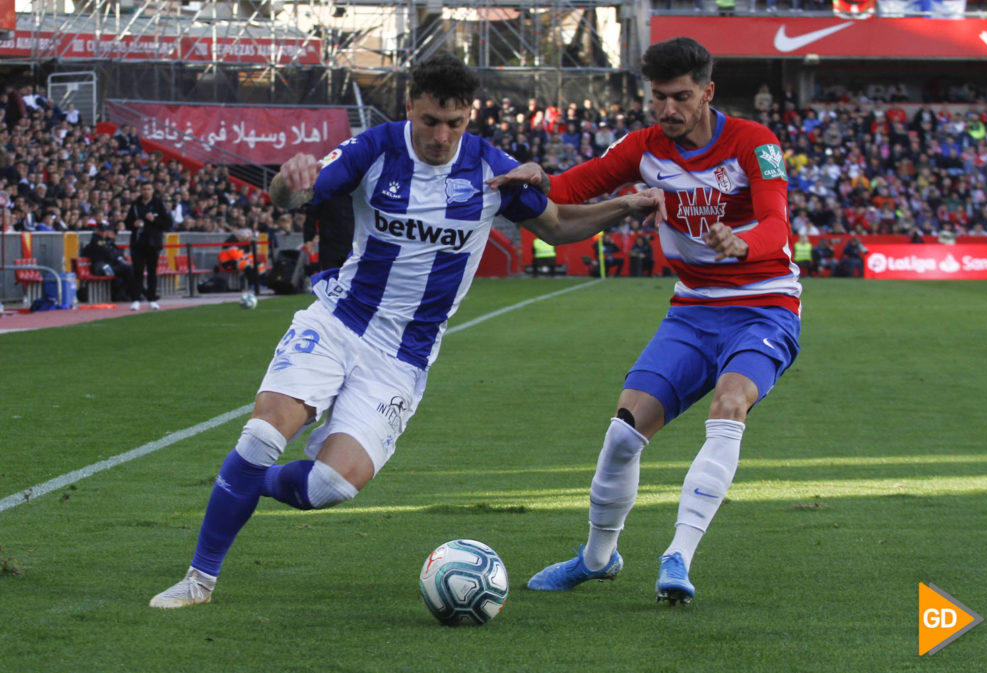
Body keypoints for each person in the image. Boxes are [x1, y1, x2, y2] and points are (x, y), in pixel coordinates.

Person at [147, 53, 666, 609]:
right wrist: (285, 184)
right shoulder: (376, 149)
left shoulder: (495, 170)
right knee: (262, 435)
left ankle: (244, 484)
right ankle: (199, 579)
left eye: (455, 124)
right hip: (339, 321)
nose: (442, 136)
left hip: (403, 356)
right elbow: (299, 194)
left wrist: (623, 206)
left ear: (470, 116)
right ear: (410, 107)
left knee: (330, 487)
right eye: (430, 121)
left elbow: (559, 225)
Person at [488, 37, 801, 606]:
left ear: (707, 92)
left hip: (763, 303)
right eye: (658, 97)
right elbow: (570, 186)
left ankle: (678, 555)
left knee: (730, 404)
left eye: (680, 97)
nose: (668, 111)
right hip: (691, 310)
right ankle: (597, 559)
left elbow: (779, 225)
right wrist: (534, 174)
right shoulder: (643, 147)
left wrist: (742, 241)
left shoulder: (755, 142)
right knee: (622, 433)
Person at [124, 181, 171, 310]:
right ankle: (136, 299)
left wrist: (154, 220)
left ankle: (151, 299)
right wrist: (134, 224)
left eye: (149, 189)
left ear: (152, 190)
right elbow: (127, 223)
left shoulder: (158, 204)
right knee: (137, 272)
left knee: (152, 272)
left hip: (153, 243)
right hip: (138, 243)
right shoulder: (135, 205)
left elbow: (167, 223)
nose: (146, 191)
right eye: (144, 189)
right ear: (140, 190)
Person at [80, 222, 135, 302]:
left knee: (128, 270)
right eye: (102, 231)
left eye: (105, 231)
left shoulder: (104, 241)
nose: (104, 232)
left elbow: (114, 252)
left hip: (107, 265)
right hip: (101, 267)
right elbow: (108, 254)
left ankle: (127, 293)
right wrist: (116, 254)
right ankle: (131, 294)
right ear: (97, 231)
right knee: (127, 270)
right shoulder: (96, 241)